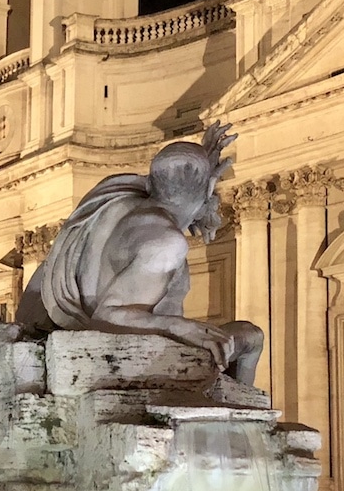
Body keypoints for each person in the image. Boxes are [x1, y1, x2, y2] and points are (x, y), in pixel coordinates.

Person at [17, 122, 264, 385]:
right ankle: (235, 409)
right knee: (251, 338)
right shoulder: (167, 243)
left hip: (53, 336)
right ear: (207, 191)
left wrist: (198, 167)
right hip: (125, 352)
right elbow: (108, 317)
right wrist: (180, 327)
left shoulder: (115, 202)